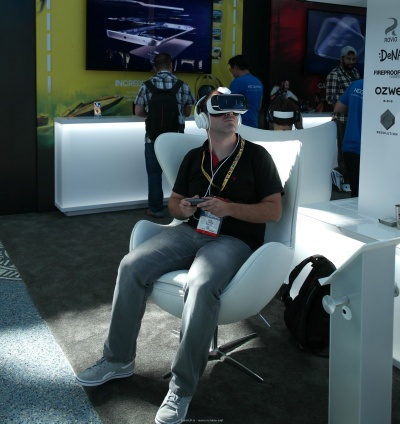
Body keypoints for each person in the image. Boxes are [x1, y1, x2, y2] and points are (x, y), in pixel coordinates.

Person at [76, 89, 284, 424]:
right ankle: (117, 359)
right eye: (221, 110)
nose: (230, 115)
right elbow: (173, 203)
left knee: (200, 283)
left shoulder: (257, 157)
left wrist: (229, 208)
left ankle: (181, 388)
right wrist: (183, 207)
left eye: (234, 111)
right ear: (204, 118)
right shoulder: (193, 157)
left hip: (234, 240)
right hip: (190, 231)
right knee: (131, 265)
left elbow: (274, 211)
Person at [134, 53, 196, 218]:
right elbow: (187, 112)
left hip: (152, 138)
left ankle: (156, 209)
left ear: (155, 67)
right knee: (181, 174)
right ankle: (184, 209)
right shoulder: (183, 85)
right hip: (177, 138)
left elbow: (138, 111)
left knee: (154, 174)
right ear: (171, 66)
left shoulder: (146, 85)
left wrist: (150, 116)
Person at [325, 46, 360, 192]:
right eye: (348, 59)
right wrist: (349, 101)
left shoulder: (356, 73)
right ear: (341, 59)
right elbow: (330, 98)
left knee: (355, 151)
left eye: (353, 59)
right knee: (344, 150)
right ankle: (343, 178)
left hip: (356, 118)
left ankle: (350, 178)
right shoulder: (334, 75)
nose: (351, 62)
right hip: (342, 120)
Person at [333, 79, 364, 198]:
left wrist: (355, 108)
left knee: (356, 193)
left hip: (351, 144)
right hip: (374, 148)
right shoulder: (388, 87)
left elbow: (338, 108)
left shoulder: (356, 85)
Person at [228, 55, 263, 128]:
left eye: (231, 69)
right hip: (254, 125)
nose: (231, 72)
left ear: (236, 68)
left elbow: (229, 105)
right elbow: (259, 106)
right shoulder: (258, 82)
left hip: (240, 125)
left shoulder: (237, 82)